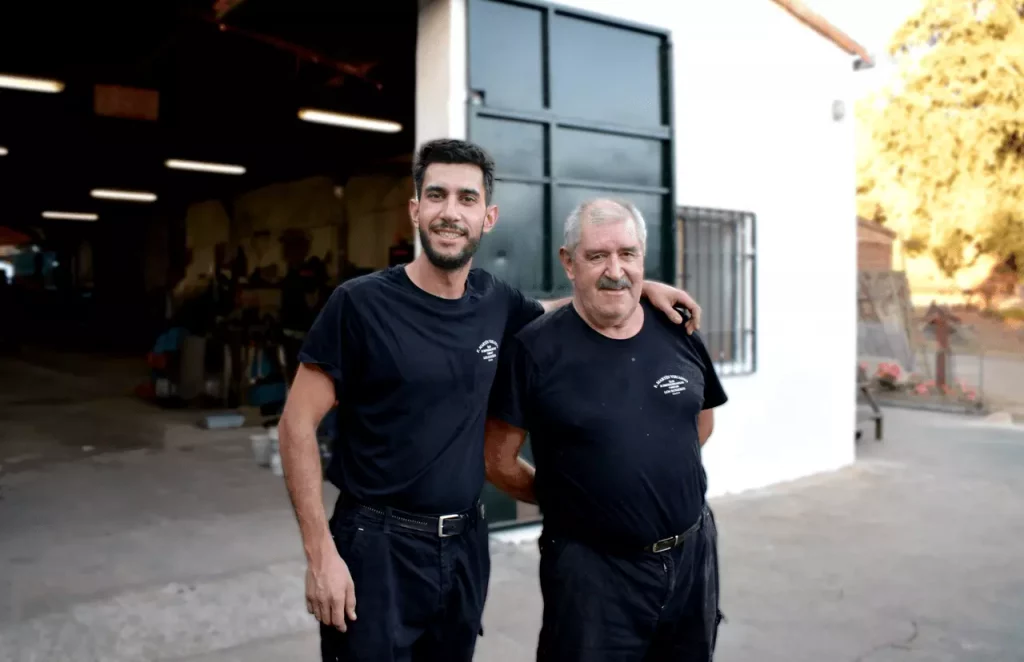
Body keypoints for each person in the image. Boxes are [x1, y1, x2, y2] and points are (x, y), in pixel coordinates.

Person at [277, 139, 703, 662]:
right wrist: (321, 553)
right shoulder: (360, 305)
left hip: (463, 546)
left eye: (466, 199)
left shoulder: (495, 300)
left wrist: (640, 287)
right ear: (416, 210)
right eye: (436, 196)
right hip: (376, 545)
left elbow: (567, 304)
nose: (450, 212)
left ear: (489, 216)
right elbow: (295, 425)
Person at [485, 198, 728, 661]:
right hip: (591, 575)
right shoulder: (535, 350)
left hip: (691, 560)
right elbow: (496, 459)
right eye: (597, 256)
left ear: (642, 257)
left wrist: (646, 475)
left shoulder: (679, 329)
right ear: (569, 262)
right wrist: (571, 494)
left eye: (627, 254)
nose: (615, 270)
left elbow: (701, 422)